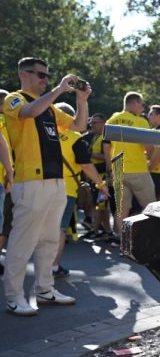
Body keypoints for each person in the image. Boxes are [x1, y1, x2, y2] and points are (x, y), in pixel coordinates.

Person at [3, 57, 90, 316]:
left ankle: (45, 289)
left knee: (50, 240)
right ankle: (13, 296)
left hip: (56, 181)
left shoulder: (50, 107)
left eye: (47, 76)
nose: (44, 80)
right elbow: (29, 113)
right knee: (22, 241)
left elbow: (79, 126)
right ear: (24, 74)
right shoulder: (14, 99)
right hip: (29, 181)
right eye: (40, 75)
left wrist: (82, 101)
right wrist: (59, 89)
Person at [53, 103, 109, 278]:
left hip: (41, 185)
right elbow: (85, 165)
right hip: (66, 189)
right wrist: (101, 184)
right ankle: (53, 267)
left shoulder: (43, 134)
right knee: (59, 229)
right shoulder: (74, 137)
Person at [103, 92, 157, 245]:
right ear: (133, 103)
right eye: (142, 104)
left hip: (118, 170)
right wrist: (149, 156)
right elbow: (149, 146)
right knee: (150, 207)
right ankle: (148, 240)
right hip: (138, 169)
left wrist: (110, 168)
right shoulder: (140, 122)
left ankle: (122, 241)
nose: (143, 108)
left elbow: (106, 147)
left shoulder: (112, 120)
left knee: (122, 209)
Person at [0, 90, 13, 277]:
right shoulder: (6, 122)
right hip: (3, 180)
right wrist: (10, 173)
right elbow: (4, 147)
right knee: (3, 222)